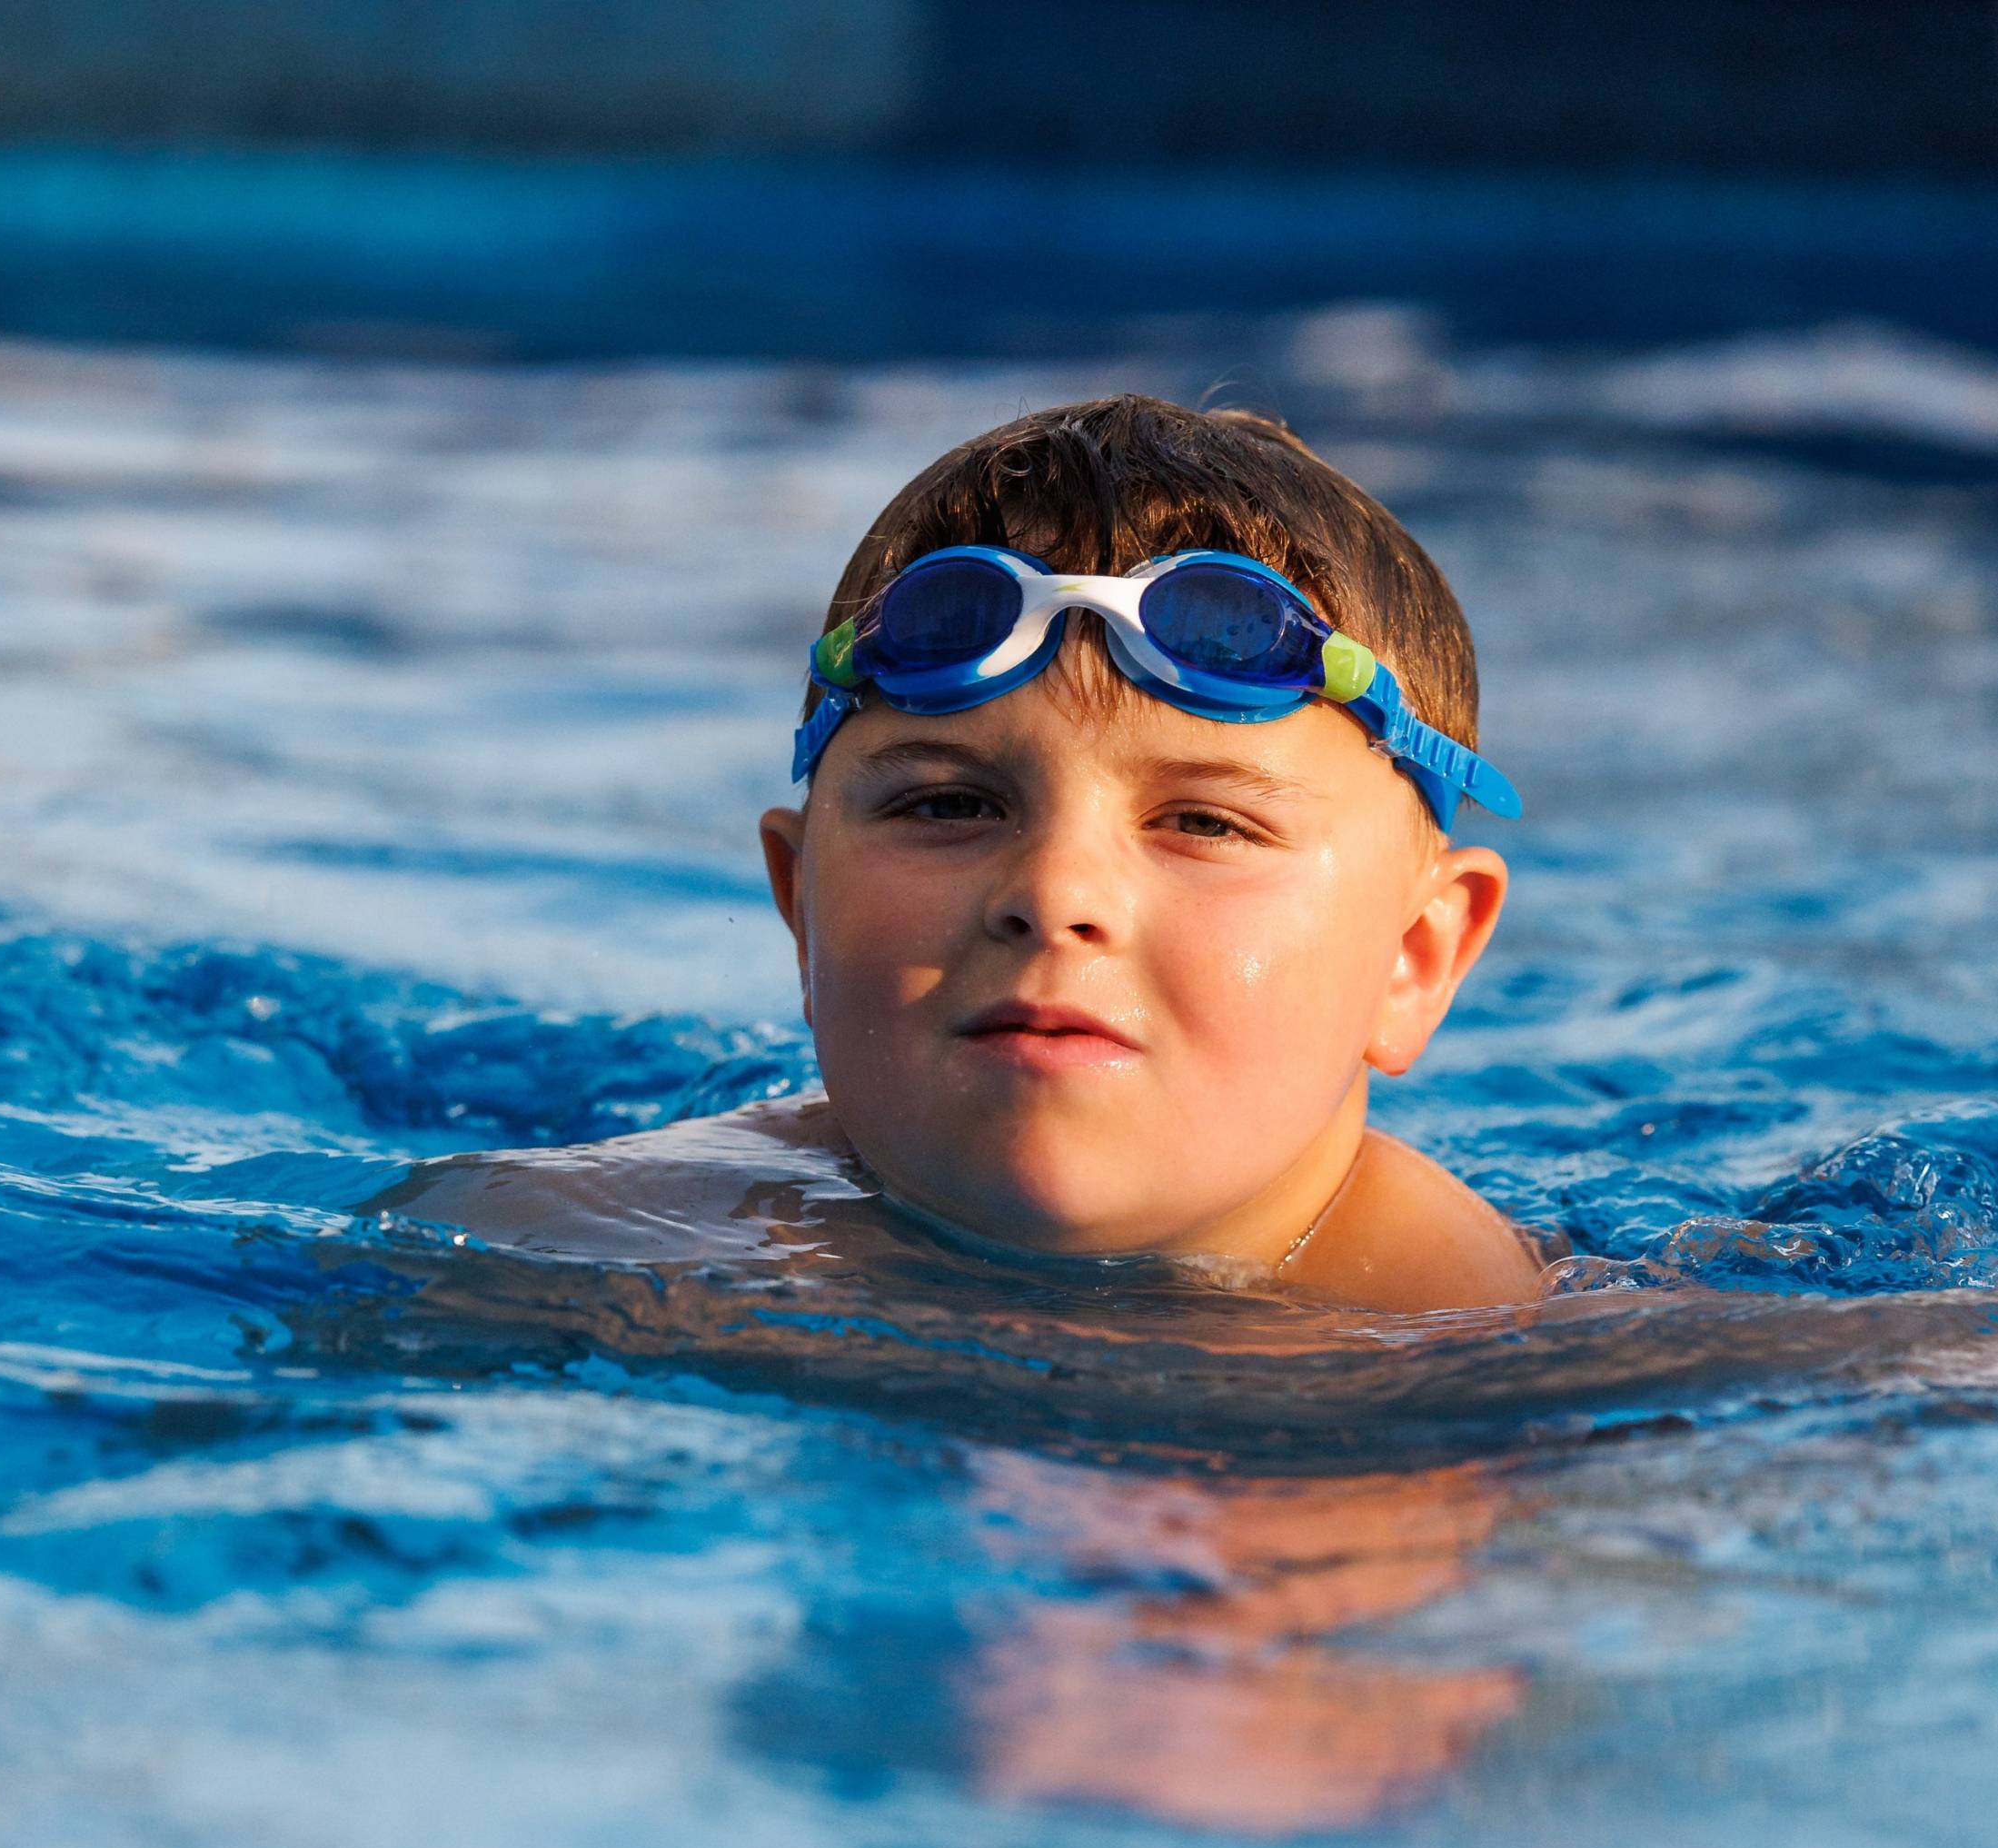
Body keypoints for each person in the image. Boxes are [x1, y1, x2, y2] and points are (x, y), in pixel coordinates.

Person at [382, 394, 1544, 1313]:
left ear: (1414, 956)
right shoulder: (581, 1248)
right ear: (801, 908)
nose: (1052, 895)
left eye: (1202, 823)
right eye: (948, 806)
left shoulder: (1481, 1365)